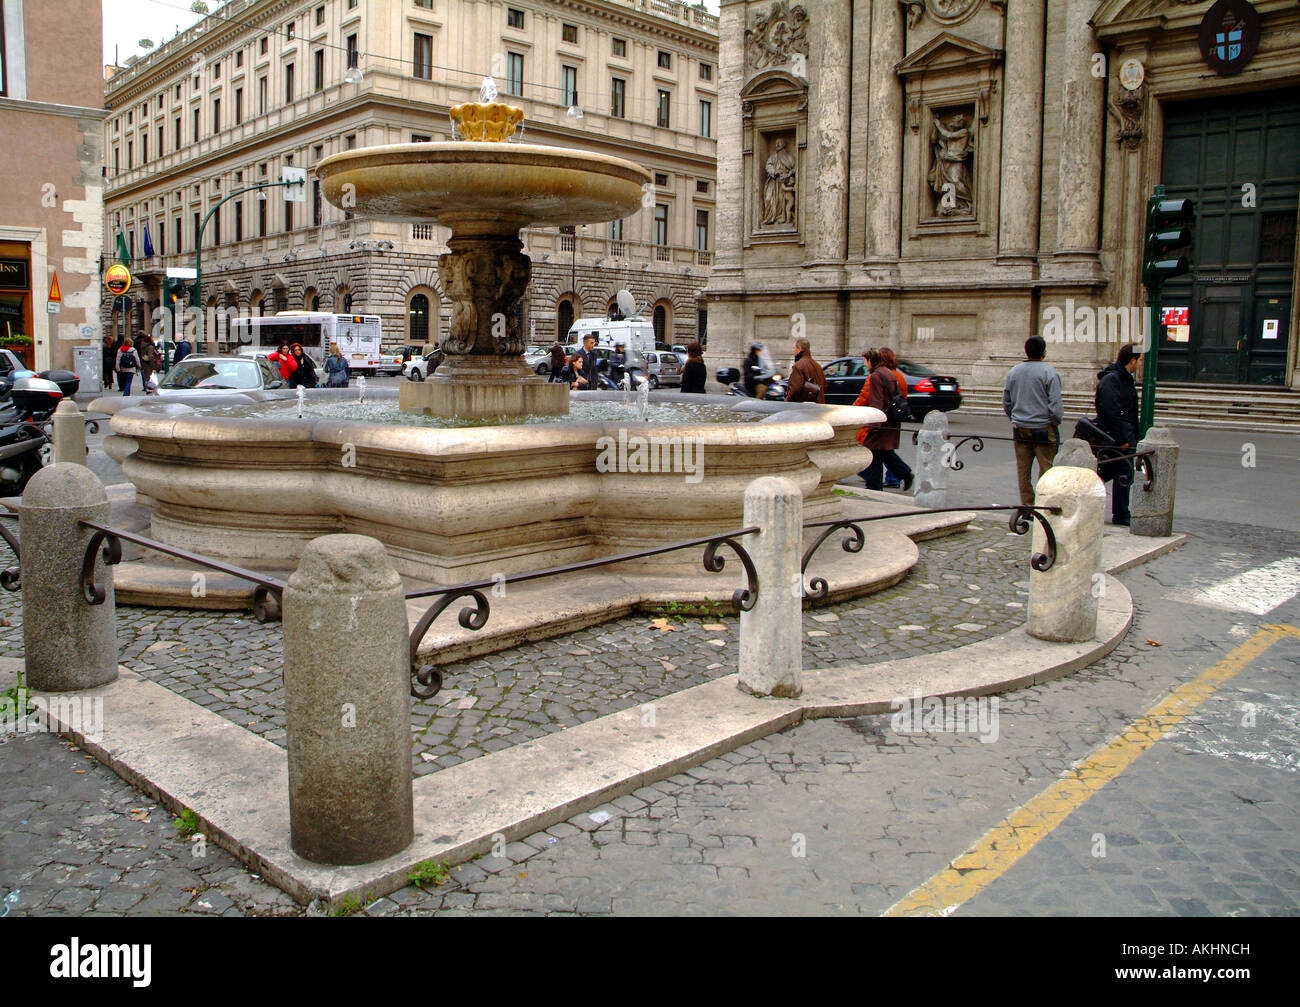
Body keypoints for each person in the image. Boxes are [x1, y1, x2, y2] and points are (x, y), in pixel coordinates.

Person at [1003, 334, 1064, 506]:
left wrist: (1014, 417)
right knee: (1047, 469)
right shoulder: (1049, 373)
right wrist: (1054, 421)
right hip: (1043, 427)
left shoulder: (1013, 372)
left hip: (1020, 426)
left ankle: (1027, 506)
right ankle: (1043, 504)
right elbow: (1055, 404)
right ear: (1044, 352)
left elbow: (1006, 401)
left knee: (1023, 470)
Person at [1095, 343, 1142, 526]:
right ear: (1132, 360)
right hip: (1115, 438)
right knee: (1121, 472)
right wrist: (1123, 439)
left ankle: (1121, 512)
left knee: (1115, 472)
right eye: (1140, 361)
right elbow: (1112, 411)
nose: (1140, 365)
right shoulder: (1113, 379)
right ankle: (1121, 514)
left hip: (1121, 436)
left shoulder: (1122, 378)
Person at [855, 348, 914, 491]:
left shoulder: (876, 376)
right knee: (884, 452)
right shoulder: (891, 373)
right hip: (890, 420)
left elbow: (876, 401)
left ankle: (874, 486)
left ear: (870, 360)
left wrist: (873, 425)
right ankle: (904, 472)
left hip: (880, 422)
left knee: (872, 452)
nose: (864, 365)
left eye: (864, 361)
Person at [877, 347, 910, 488]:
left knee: (882, 448)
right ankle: (894, 477)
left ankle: (900, 474)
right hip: (894, 416)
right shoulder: (900, 376)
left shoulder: (883, 375)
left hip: (884, 416)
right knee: (887, 448)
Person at [786, 336, 826, 404]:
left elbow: (794, 389)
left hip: (804, 408)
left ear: (799, 349)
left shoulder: (798, 366)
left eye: (794, 348)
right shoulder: (818, 366)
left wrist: (787, 403)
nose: (793, 350)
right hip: (819, 406)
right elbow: (824, 385)